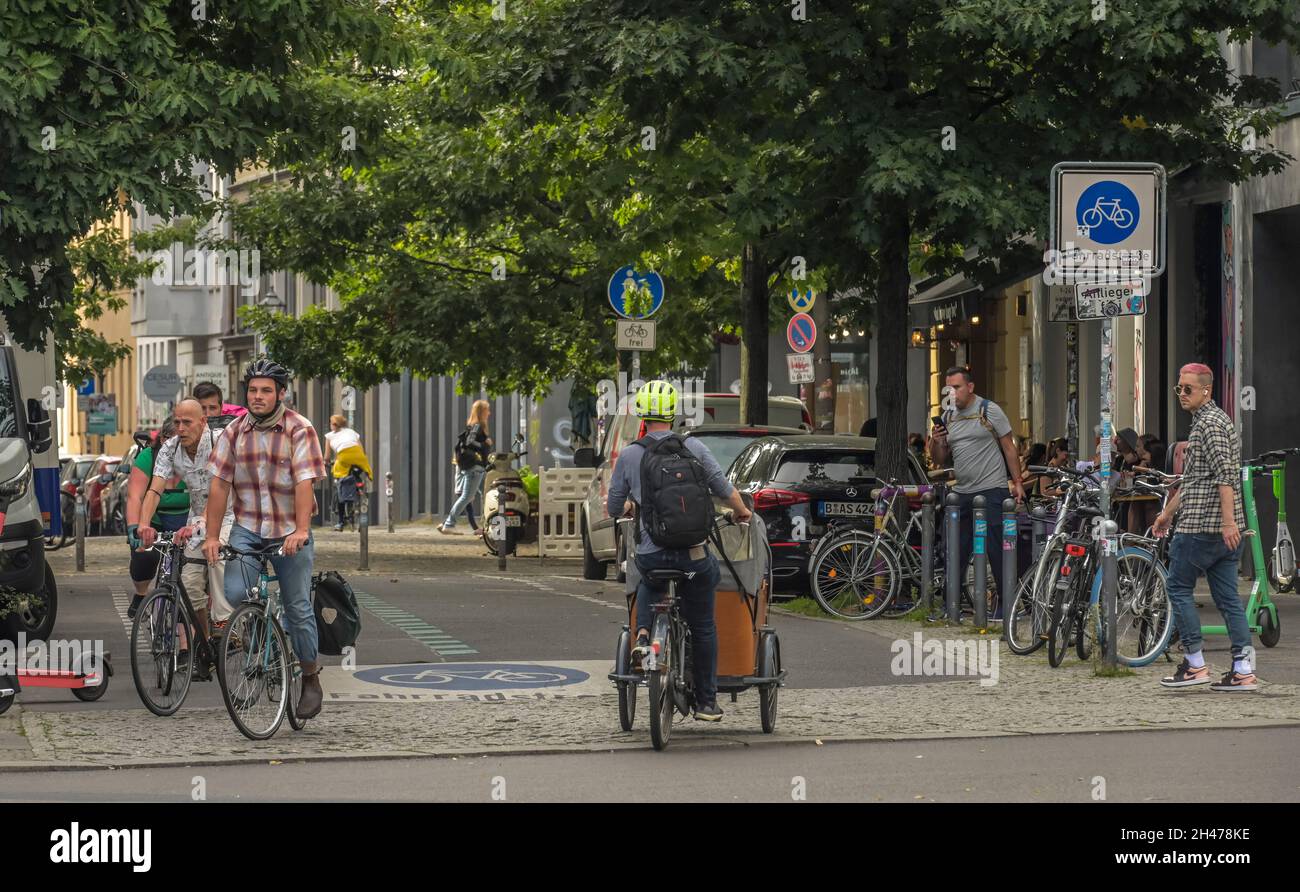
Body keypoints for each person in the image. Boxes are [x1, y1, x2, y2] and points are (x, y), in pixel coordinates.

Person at [607, 380, 752, 722]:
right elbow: (723, 488)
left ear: (642, 414)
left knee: (648, 579)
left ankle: (643, 636)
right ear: (673, 414)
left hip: (653, 555)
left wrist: (630, 506)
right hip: (693, 557)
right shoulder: (695, 449)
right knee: (703, 623)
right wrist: (742, 511)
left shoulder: (629, 455)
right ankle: (705, 702)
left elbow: (614, 505)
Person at [203, 359, 328, 720]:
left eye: (266, 391)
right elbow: (220, 483)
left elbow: (305, 482)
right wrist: (212, 536)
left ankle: (309, 677)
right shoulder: (234, 431)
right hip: (248, 528)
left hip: (289, 529)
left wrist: (301, 531)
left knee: (298, 606)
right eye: (253, 390)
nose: (257, 397)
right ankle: (266, 640)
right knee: (237, 592)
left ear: (281, 394)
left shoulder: (299, 429)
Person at [1154, 363, 1256, 692]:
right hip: (1214, 526)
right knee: (1227, 598)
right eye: (1179, 388)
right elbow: (1196, 479)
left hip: (1202, 527)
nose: (1182, 394)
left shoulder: (1209, 424)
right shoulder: (1207, 421)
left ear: (1206, 390)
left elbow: (1226, 474)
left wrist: (1228, 522)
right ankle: (1242, 670)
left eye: (1188, 389)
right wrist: (1168, 513)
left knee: (1178, 588)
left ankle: (1195, 663)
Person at [928, 367, 1026, 621]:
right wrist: (937, 442)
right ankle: (951, 604)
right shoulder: (948, 417)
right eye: (948, 388)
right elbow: (939, 459)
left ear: (970, 387)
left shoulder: (988, 410)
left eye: (957, 387)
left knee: (996, 550)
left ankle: (1006, 604)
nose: (953, 392)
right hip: (962, 492)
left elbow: (1008, 446)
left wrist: (1017, 482)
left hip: (992, 490)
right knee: (956, 550)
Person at [138, 399, 236, 651]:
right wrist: (143, 524)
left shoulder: (218, 441)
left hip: (228, 514)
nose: (180, 428)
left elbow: (219, 492)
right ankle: (203, 643)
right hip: (196, 518)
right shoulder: (170, 448)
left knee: (215, 555)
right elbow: (154, 489)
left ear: (202, 422)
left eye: (187, 422)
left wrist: (200, 524)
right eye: (177, 422)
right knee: (190, 584)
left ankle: (225, 624)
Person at [125, 417, 189, 619]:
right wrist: (134, 528)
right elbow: (135, 496)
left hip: (187, 517)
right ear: (161, 439)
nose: (173, 444)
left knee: (192, 569)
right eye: (169, 438)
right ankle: (141, 594)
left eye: (179, 439)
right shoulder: (147, 458)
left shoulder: (195, 457)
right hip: (154, 517)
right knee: (145, 555)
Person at [440, 400, 492, 535]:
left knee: (487, 494)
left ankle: (488, 526)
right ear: (482, 412)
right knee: (467, 497)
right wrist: (484, 444)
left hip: (478, 468)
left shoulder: (474, 426)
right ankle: (449, 524)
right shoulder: (478, 426)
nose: (489, 413)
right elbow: (470, 442)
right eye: (487, 410)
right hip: (475, 468)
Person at [323, 415, 372, 531]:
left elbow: (327, 456)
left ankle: (340, 522)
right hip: (359, 457)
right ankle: (360, 491)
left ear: (334, 425)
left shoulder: (329, 436)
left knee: (340, 485)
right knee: (357, 475)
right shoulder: (352, 432)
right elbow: (361, 448)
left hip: (344, 458)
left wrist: (325, 462)